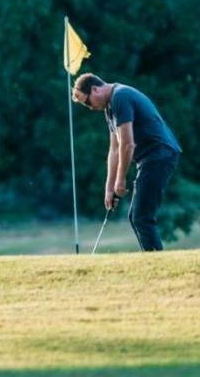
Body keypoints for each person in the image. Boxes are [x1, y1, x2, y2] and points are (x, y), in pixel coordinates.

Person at [73, 73, 182, 251]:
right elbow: (114, 149)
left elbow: (128, 144)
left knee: (141, 217)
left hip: (160, 154)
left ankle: (156, 263)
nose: (89, 107)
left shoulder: (120, 97)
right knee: (137, 217)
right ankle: (153, 260)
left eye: (87, 101)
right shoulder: (109, 108)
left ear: (95, 89)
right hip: (150, 158)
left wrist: (121, 180)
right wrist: (109, 188)